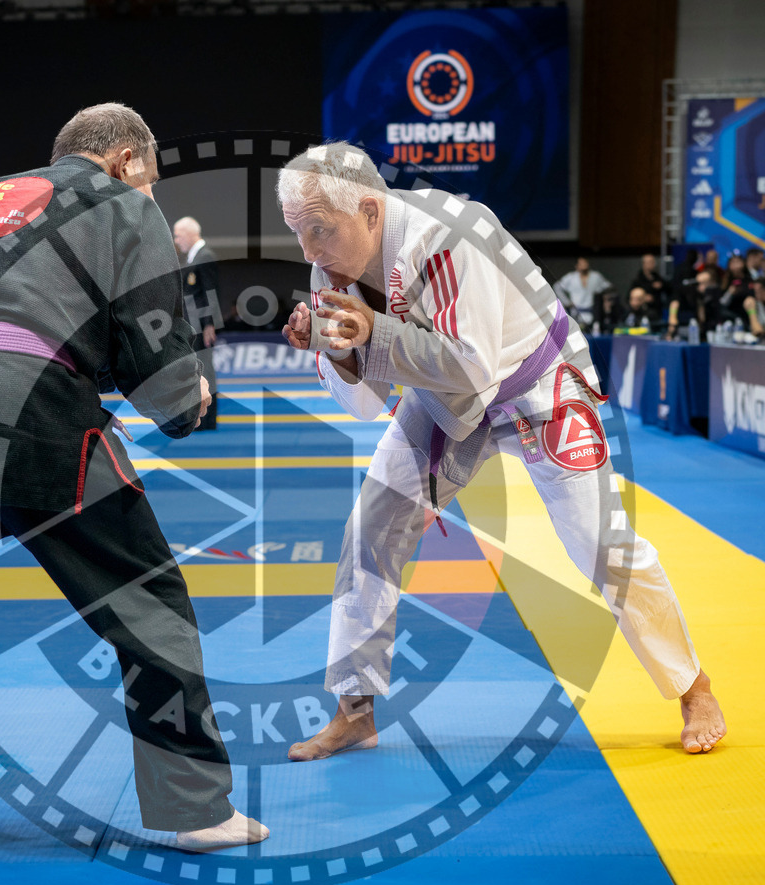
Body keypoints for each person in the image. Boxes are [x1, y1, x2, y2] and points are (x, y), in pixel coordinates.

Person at [0, 103, 267, 855]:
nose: (152, 195)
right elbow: (149, 336)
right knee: (150, 604)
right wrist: (186, 403)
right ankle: (194, 808)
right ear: (123, 162)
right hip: (31, 408)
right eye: (150, 178)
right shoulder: (122, 202)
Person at [276, 142, 725, 762]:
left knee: (598, 544)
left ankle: (692, 686)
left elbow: (474, 366)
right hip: (443, 395)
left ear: (372, 213)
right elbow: (361, 405)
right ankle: (355, 709)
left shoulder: (448, 233)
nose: (308, 251)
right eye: (298, 233)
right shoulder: (331, 264)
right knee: (370, 528)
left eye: (319, 231)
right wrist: (338, 351)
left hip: (535, 384)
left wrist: (373, 332)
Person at [173, 216, 220, 430]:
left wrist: (210, 325)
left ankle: (208, 419)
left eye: (179, 235)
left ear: (191, 234)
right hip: (194, 325)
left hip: (202, 326)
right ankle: (200, 416)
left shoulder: (205, 256)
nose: (176, 240)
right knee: (198, 370)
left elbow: (211, 292)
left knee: (205, 370)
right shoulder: (194, 258)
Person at [553, 256, 612, 329]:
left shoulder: (596, 277)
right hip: (575, 312)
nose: (584, 265)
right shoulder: (571, 277)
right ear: (576, 266)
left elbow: (608, 286)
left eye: (585, 263)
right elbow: (557, 287)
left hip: (592, 312)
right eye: (581, 263)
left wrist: (601, 296)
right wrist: (567, 302)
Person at [666, 270, 722, 339]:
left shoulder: (711, 294)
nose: (702, 286)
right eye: (699, 283)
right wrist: (672, 321)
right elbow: (674, 304)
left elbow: (703, 314)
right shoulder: (687, 290)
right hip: (684, 327)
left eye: (705, 283)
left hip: (703, 330)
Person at [629, 254, 668, 319]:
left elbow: (670, 290)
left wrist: (662, 286)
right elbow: (629, 298)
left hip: (657, 311)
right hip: (641, 312)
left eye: (653, 262)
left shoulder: (657, 277)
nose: (652, 264)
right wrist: (643, 298)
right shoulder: (638, 280)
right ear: (643, 264)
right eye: (649, 262)